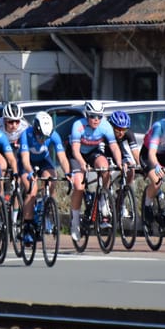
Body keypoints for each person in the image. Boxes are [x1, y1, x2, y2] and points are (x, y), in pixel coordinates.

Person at [68, 100, 123, 241]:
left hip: (93, 152)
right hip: (77, 154)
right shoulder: (78, 125)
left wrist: (119, 162)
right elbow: (75, 150)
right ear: (87, 115)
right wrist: (82, 163)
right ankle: (75, 222)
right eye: (93, 116)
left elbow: (114, 147)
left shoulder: (105, 126)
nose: (96, 119)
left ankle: (103, 199)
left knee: (105, 167)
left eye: (99, 116)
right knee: (78, 186)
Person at [19, 111, 70, 244]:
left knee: (52, 180)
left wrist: (68, 173)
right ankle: (27, 226)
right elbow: (25, 160)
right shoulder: (26, 134)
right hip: (27, 163)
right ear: (35, 129)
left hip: (43, 161)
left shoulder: (54, 135)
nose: (43, 139)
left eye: (46, 137)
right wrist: (31, 172)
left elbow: (62, 158)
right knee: (32, 190)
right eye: (40, 136)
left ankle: (46, 209)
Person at [106, 110, 140, 185]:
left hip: (118, 149)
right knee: (106, 172)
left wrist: (140, 165)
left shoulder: (128, 132)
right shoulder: (105, 131)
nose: (121, 132)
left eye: (124, 129)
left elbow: (135, 151)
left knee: (131, 169)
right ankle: (104, 190)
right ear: (111, 126)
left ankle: (125, 190)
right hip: (105, 150)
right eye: (118, 129)